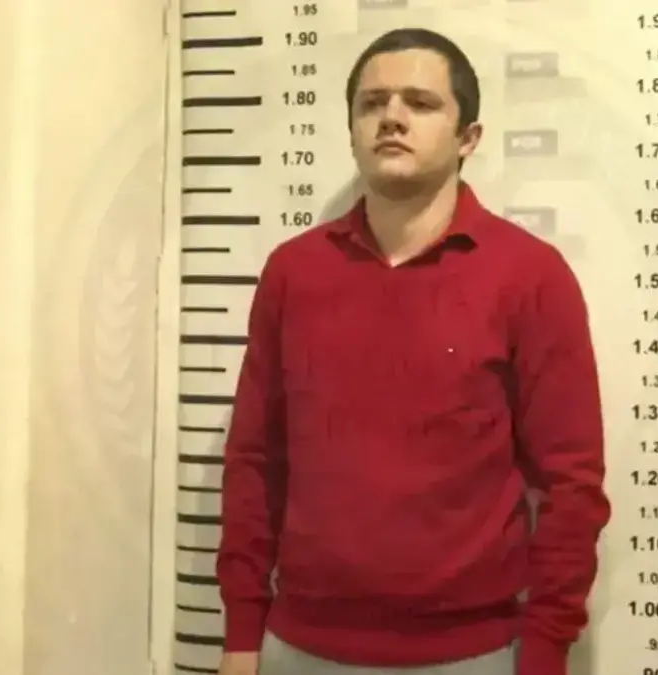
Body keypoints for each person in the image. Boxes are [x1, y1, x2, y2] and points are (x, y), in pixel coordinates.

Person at [216, 27, 611, 675]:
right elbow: (255, 459)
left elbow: (572, 485)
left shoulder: (530, 276)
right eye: (372, 103)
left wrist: (545, 653)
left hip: (474, 655)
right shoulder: (293, 272)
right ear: (351, 130)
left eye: (421, 103)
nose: (392, 117)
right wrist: (241, 635)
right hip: (296, 647)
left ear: (468, 137)